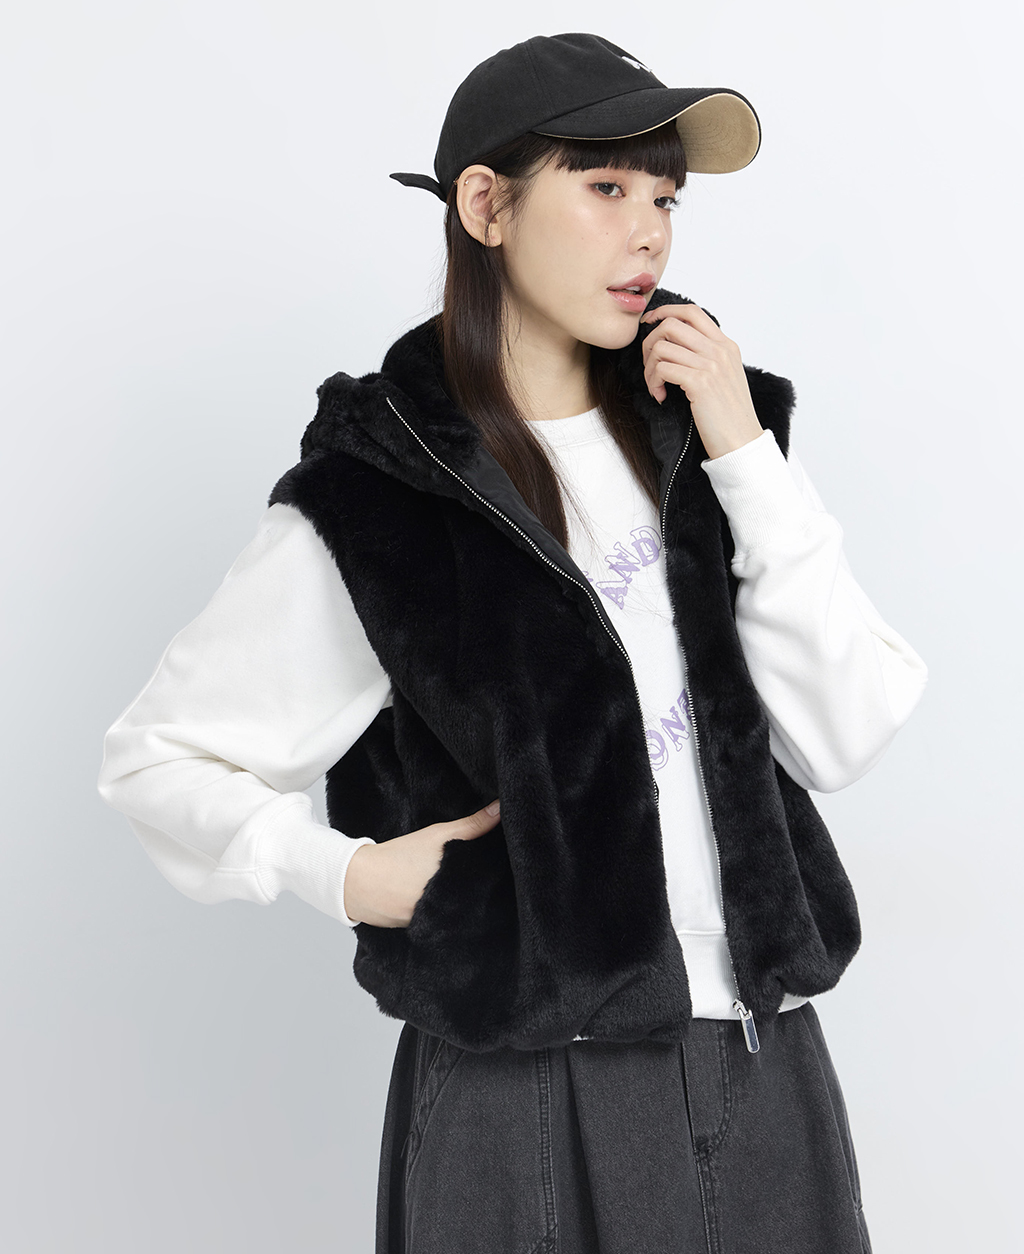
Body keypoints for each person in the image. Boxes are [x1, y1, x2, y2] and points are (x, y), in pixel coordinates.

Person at [98, 31, 927, 1254]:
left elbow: (843, 734)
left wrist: (745, 451)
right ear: (485, 206)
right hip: (527, 1098)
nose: (648, 235)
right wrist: (344, 874)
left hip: (763, 1071)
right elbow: (155, 759)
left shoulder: (703, 443)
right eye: (606, 188)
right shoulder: (383, 496)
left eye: (665, 199)